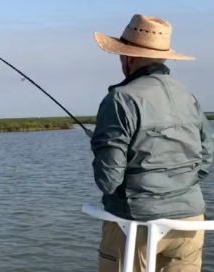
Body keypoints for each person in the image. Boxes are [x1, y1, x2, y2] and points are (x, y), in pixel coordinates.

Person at [88, 14, 214, 272]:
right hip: (190, 222)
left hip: (135, 224)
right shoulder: (187, 97)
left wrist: (98, 147)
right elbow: (207, 155)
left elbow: (108, 179)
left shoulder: (120, 99)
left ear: (128, 57)